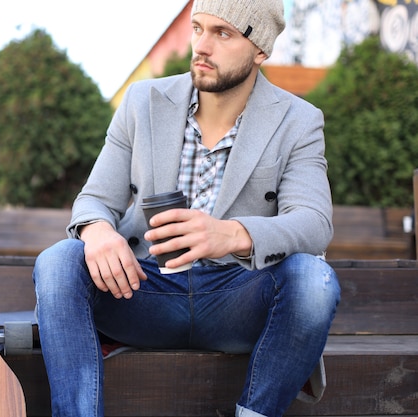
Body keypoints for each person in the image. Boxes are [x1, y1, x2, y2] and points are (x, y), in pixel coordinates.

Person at [33, 0, 341, 416]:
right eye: (198, 28)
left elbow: (314, 222)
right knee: (59, 261)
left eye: (224, 33)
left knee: (314, 278)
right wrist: (97, 232)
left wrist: (232, 234)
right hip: (143, 290)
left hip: (238, 297)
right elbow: (94, 201)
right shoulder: (142, 102)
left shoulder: (298, 120)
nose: (202, 46)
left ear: (260, 50)